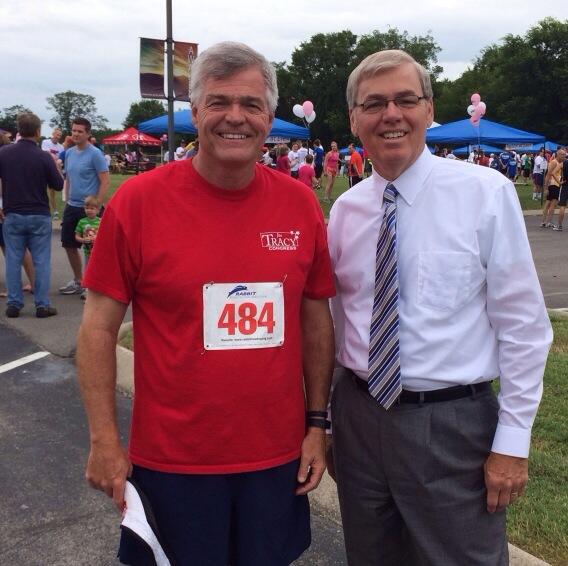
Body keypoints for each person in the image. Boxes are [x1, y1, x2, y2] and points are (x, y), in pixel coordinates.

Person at [76, 41, 335, 566]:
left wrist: (317, 423)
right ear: (195, 113)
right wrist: (104, 439)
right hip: (173, 461)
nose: (234, 117)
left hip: (274, 458)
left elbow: (314, 320)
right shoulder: (138, 202)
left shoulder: (299, 202)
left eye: (251, 104)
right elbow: (98, 329)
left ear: (269, 116)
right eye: (218, 102)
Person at [326, 49, 552, 566]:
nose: (392, 114)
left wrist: (512, 442)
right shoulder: (345, 210)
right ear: (354, 118)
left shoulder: (485, 193)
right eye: (374, 103)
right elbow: (339, 322)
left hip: (452, 426)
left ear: (429, 110)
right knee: (371, 556)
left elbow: (523, 327)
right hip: (360, 417)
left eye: (406, 99)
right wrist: (334, 426)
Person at [0, 112, 63, 318]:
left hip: (13, 212)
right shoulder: (43, 156)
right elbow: (58, 184)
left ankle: (14, 303)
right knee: (41, 260)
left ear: (19, 130)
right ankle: (42, 304)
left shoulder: (4, 153)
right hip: (38, 213)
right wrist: (57, 167)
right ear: (38, 132)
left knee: (12, 259)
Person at [59, 117, 109, 296]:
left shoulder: (95, 154)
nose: (76, 134)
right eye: (74, 131)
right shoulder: (70, 153)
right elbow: (69, 178)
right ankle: (78, 279)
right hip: (72, 205)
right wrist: (66, 198)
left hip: (89, 208)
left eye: (80, 131)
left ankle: (91, 284)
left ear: (88, 134)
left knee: (91, 247)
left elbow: (105, 180)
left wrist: (97, 204)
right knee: (68, 243)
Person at [41, 127, 64, 219]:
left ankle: (55, 211)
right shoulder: (45, 142)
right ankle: (45, 209)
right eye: (57, 135)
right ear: (53, 134)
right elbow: (46, 155)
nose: (58, 137)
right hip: (43, 170)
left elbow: (60, 159)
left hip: (53, 171)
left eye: (60, 136)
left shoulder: (61, 147)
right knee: (42, 190)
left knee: (52, 192)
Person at [541, 149, 566, 229]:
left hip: (556, 184)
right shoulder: (554, 162)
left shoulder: (560, 163)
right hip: (553, 184)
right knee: (551, 204)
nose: (564, 156)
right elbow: (548, 175)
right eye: (562, 155)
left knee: (549, 203)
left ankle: (544, 222)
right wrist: (546, 187)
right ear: (558, 154)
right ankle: (547, 222)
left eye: (564, 155)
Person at [553, 149, 568, 232]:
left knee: (562, 206)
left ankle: (559, 225)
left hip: (565, 185)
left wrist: (559, 182)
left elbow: (553, 172)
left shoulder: (563, 163)